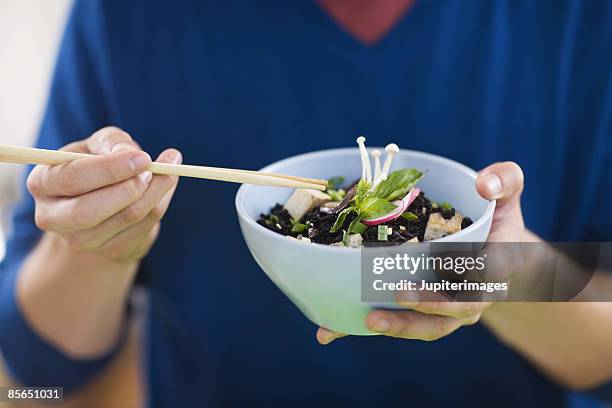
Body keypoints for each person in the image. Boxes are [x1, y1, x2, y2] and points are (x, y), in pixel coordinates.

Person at [1, 0, 611, 406]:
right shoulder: (127, 17)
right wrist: (96, 245)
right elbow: (38, 371)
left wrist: (499, 273)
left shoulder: (581, 21)